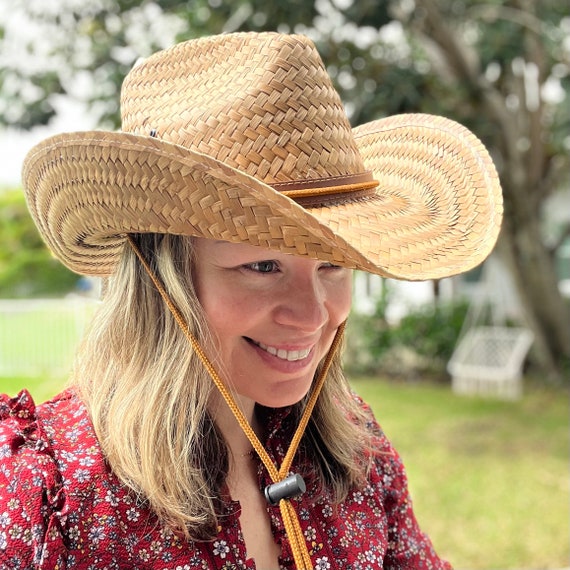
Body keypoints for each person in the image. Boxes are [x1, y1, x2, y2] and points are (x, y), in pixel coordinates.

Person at [0, 32, 502, 569]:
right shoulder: (45, 494)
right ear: (159, 279)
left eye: (333, 265)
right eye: (263, 266)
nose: (314, 316)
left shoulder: (352, 450)